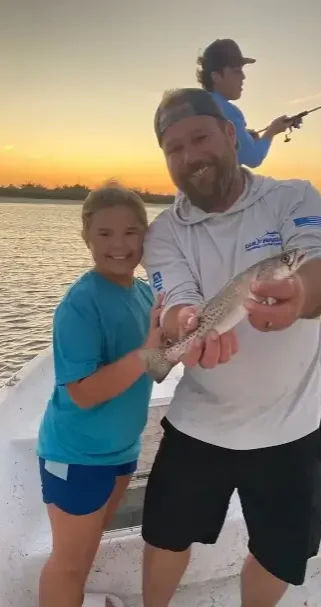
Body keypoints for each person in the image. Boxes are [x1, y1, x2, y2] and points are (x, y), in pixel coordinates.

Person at [141, 87, 321, 607]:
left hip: (290, 429)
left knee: (279, 552)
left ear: (231, 136)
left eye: (201, 137)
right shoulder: (164, 231)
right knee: (165, 535)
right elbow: (177, 299)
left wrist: (300, 296)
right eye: (173, 148)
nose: (189, 156)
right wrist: (183, 322)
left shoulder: (292, 198)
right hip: (199, 425)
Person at [36, 183, 164, 607]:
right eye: (105, 234)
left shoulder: (144, 293)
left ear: (146, 235)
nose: (119, 245)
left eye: (131, 232)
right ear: (86, 237)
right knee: (69, 563)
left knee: (87, 554)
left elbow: (156, 365)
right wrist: (149, 350)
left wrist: (188, 343)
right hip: (77, 455)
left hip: (121, 450)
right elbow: (84, 393)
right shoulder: (80, 305)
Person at [196, 38, 302, 168]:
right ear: (216, 76)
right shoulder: (229, 111)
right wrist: (272, 130)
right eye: (236, 71)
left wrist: (244, 135)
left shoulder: (198, 106)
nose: (243, 76)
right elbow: (253, 158)